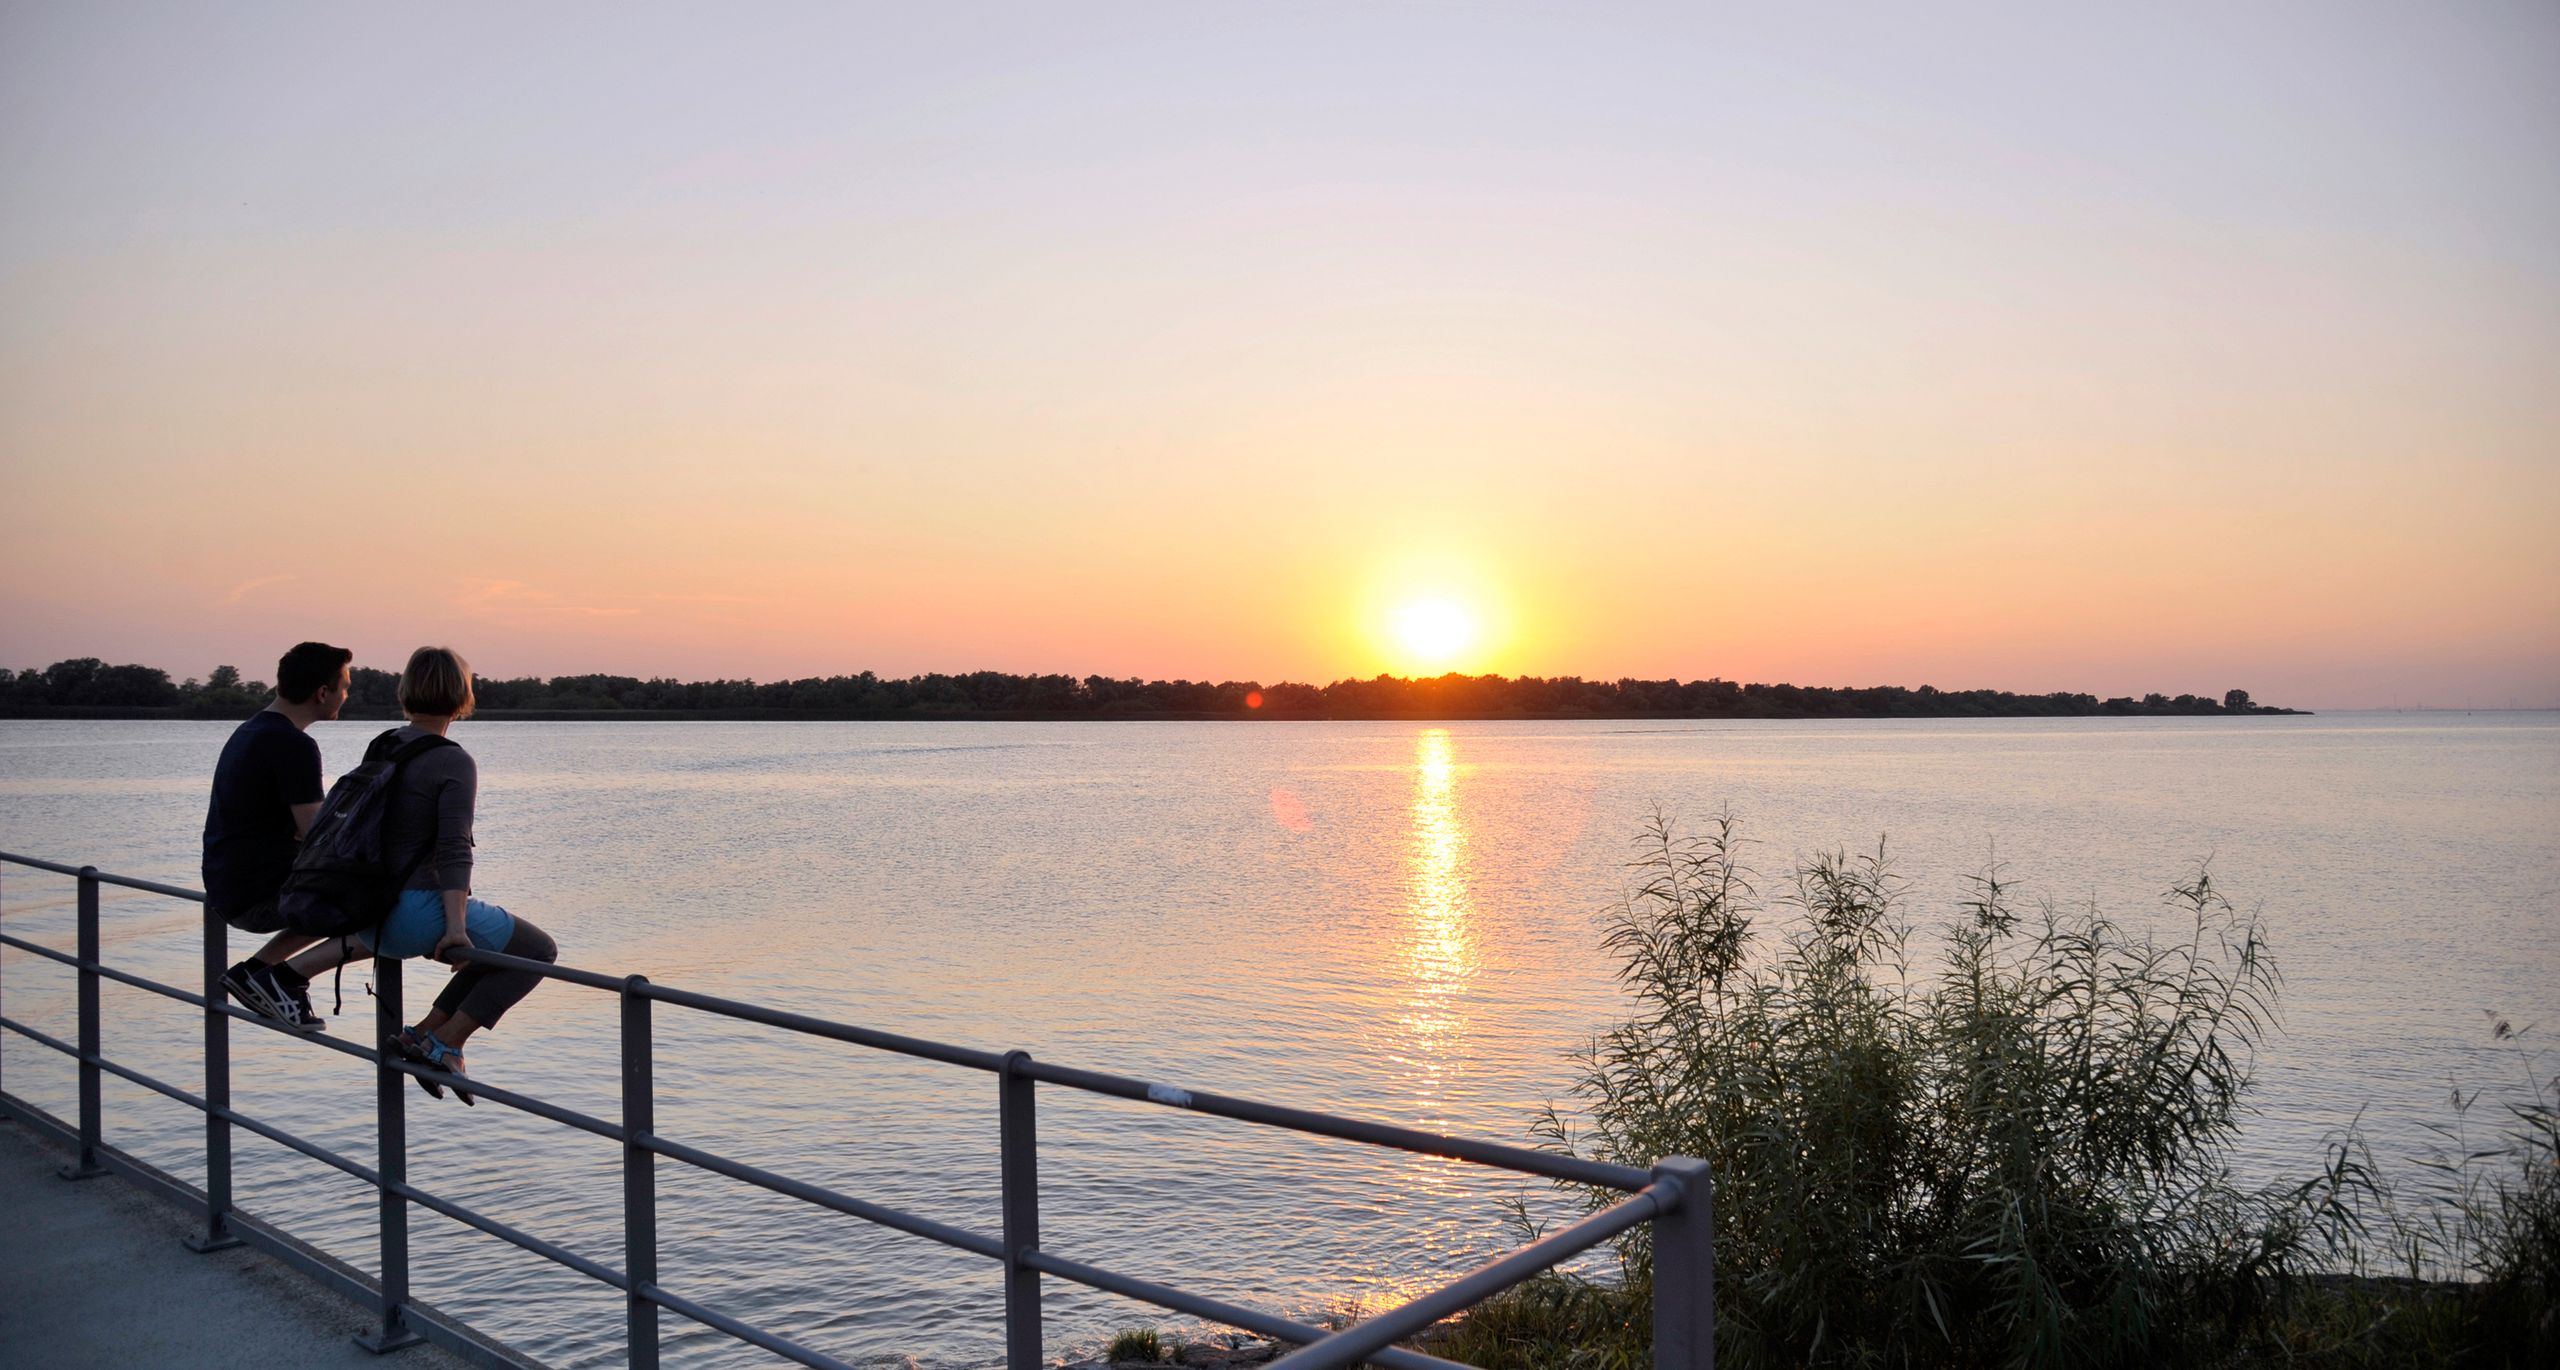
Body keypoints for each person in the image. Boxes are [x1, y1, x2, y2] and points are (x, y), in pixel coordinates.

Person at [270, 645, 555, 1103]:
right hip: (413, 916)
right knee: (537, 949)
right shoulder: (453, 761)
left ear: (406, 692)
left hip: (371, 911)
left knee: (498, 947)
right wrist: (456, 929)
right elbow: (453, 849)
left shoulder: (384, 744)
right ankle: (448, 1042)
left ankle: (419, 1035)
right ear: (464, 696)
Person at [208, 641, 353, 1031]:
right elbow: (315, 835)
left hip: (226, 888)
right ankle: (278, 978)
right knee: (373, 898)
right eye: (344, 687)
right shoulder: (294, 745)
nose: (346, 695)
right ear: (322, 693)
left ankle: (258, 971)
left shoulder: (250, 730)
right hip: (257, 896)